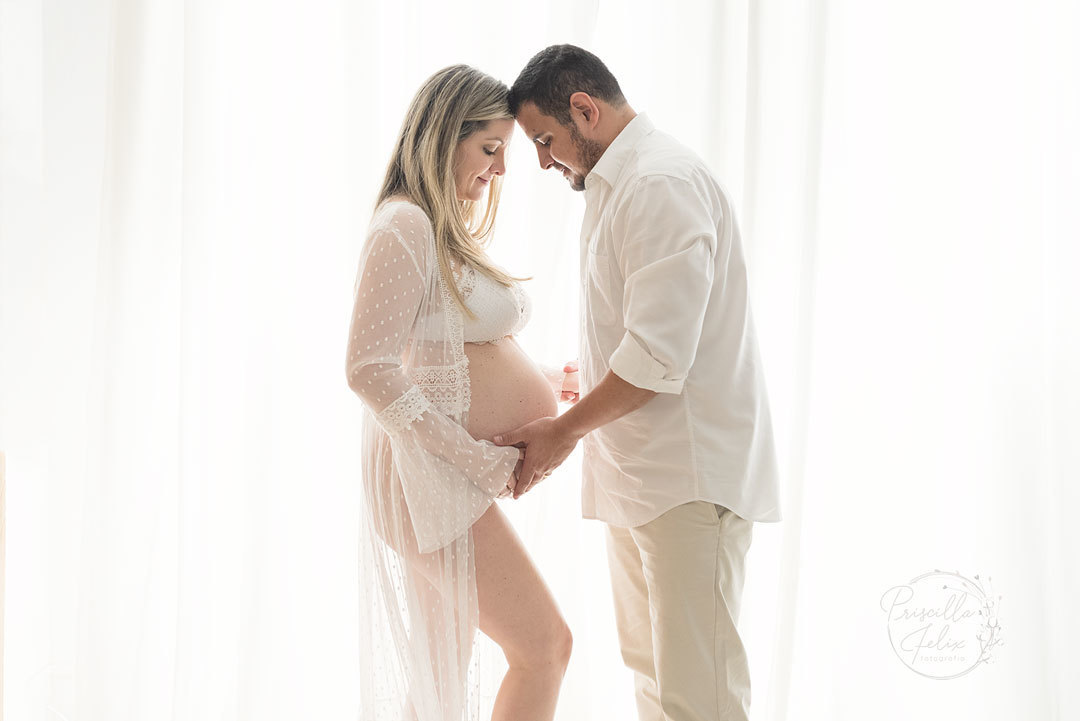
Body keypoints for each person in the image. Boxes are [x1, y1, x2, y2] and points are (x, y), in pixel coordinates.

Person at [493, 45, 783, 721]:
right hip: (642, 480)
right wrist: (581, 377)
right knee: (653, 679)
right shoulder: (620, 185)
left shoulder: (660, 184)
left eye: (545, 139)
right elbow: (644, 329)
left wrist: (559, 434)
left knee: (698, 697)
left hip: (687, 477)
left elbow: (657, 358)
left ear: (585, 110)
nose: (541, 161)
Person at [344, 64, 578, 721]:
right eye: (491, 148)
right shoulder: (403, 225)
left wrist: (550, 386)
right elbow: (367, 367)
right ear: (446, 134)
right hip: (425, 475)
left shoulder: (433, 227)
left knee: (442, 676)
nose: (501, 169)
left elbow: (454, 349)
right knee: (545, 646)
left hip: (436, 473)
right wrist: (473, 457)